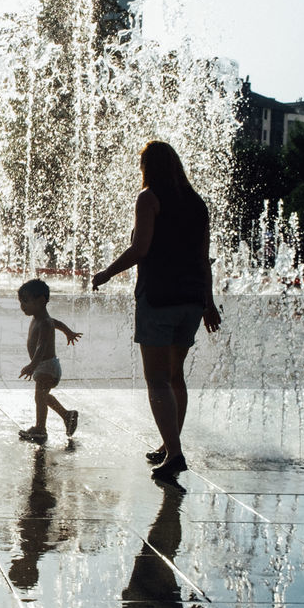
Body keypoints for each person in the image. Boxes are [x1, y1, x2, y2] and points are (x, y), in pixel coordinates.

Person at [91, 141, 221, 481]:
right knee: (175, 375)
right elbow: (202, 260)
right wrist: (208, 304)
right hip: (190, 300)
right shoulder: (196, 204)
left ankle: (175, 454)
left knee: (157, 379)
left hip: (160, 297)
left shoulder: (149, 198)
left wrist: (106, 273)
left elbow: (140, 248)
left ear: (148, 167)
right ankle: (168, 444)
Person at [17, 278, 82, 443]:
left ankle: (40, 429)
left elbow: (42, 346)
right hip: (45, 367)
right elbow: (57, 323)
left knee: (40, 397)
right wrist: (68, 332)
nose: (22, 306)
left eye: (26, 301)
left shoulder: (44, 322)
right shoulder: (41, 318)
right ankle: (67, 415)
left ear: (40, 301)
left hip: (46, 367)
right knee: (42, 396)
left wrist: (33, 365)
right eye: (20, 301)